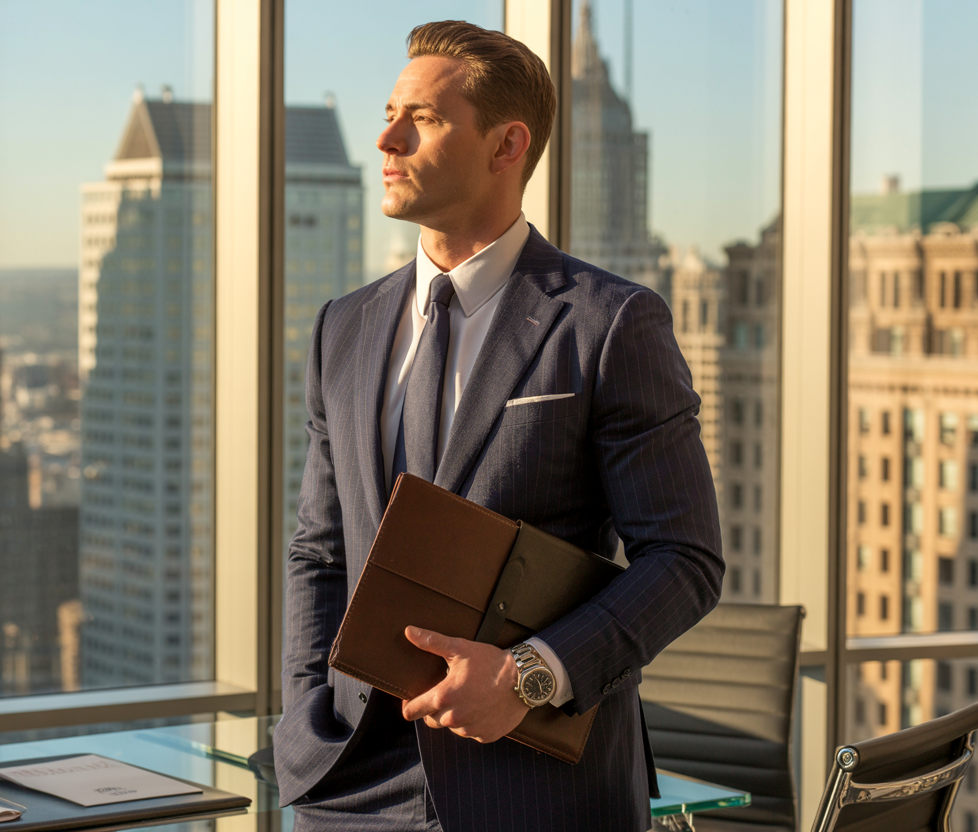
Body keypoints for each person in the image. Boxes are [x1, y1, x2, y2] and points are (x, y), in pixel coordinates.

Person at [272, 20, 723, 832]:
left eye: (425, 118)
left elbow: (685, 561)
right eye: (389, 111)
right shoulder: (341, 327)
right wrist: (304, 717)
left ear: (506, 144)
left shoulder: (610, 322)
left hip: (535, 790)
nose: (385, 137)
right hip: (349, 787)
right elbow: (320, 549)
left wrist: (528, 676)